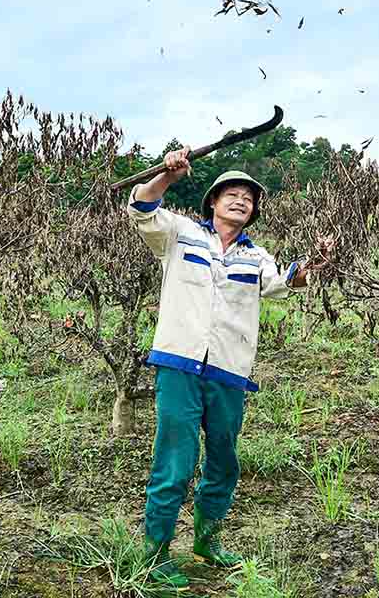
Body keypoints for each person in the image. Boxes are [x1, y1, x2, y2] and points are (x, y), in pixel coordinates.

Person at [126, 146, 331, 589]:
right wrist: (168, 174)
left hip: (228, 372)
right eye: (231, 194)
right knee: (175, 462)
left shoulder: (256, 258)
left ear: (253, 211)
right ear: (213, 202)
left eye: (249, 197)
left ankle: (208, 541)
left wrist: (314, 262)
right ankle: (155, 553)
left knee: (223, 460)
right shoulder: (180, 234)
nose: (241, 200)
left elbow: (283, 284)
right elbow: (142, 207)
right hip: (180, 364)